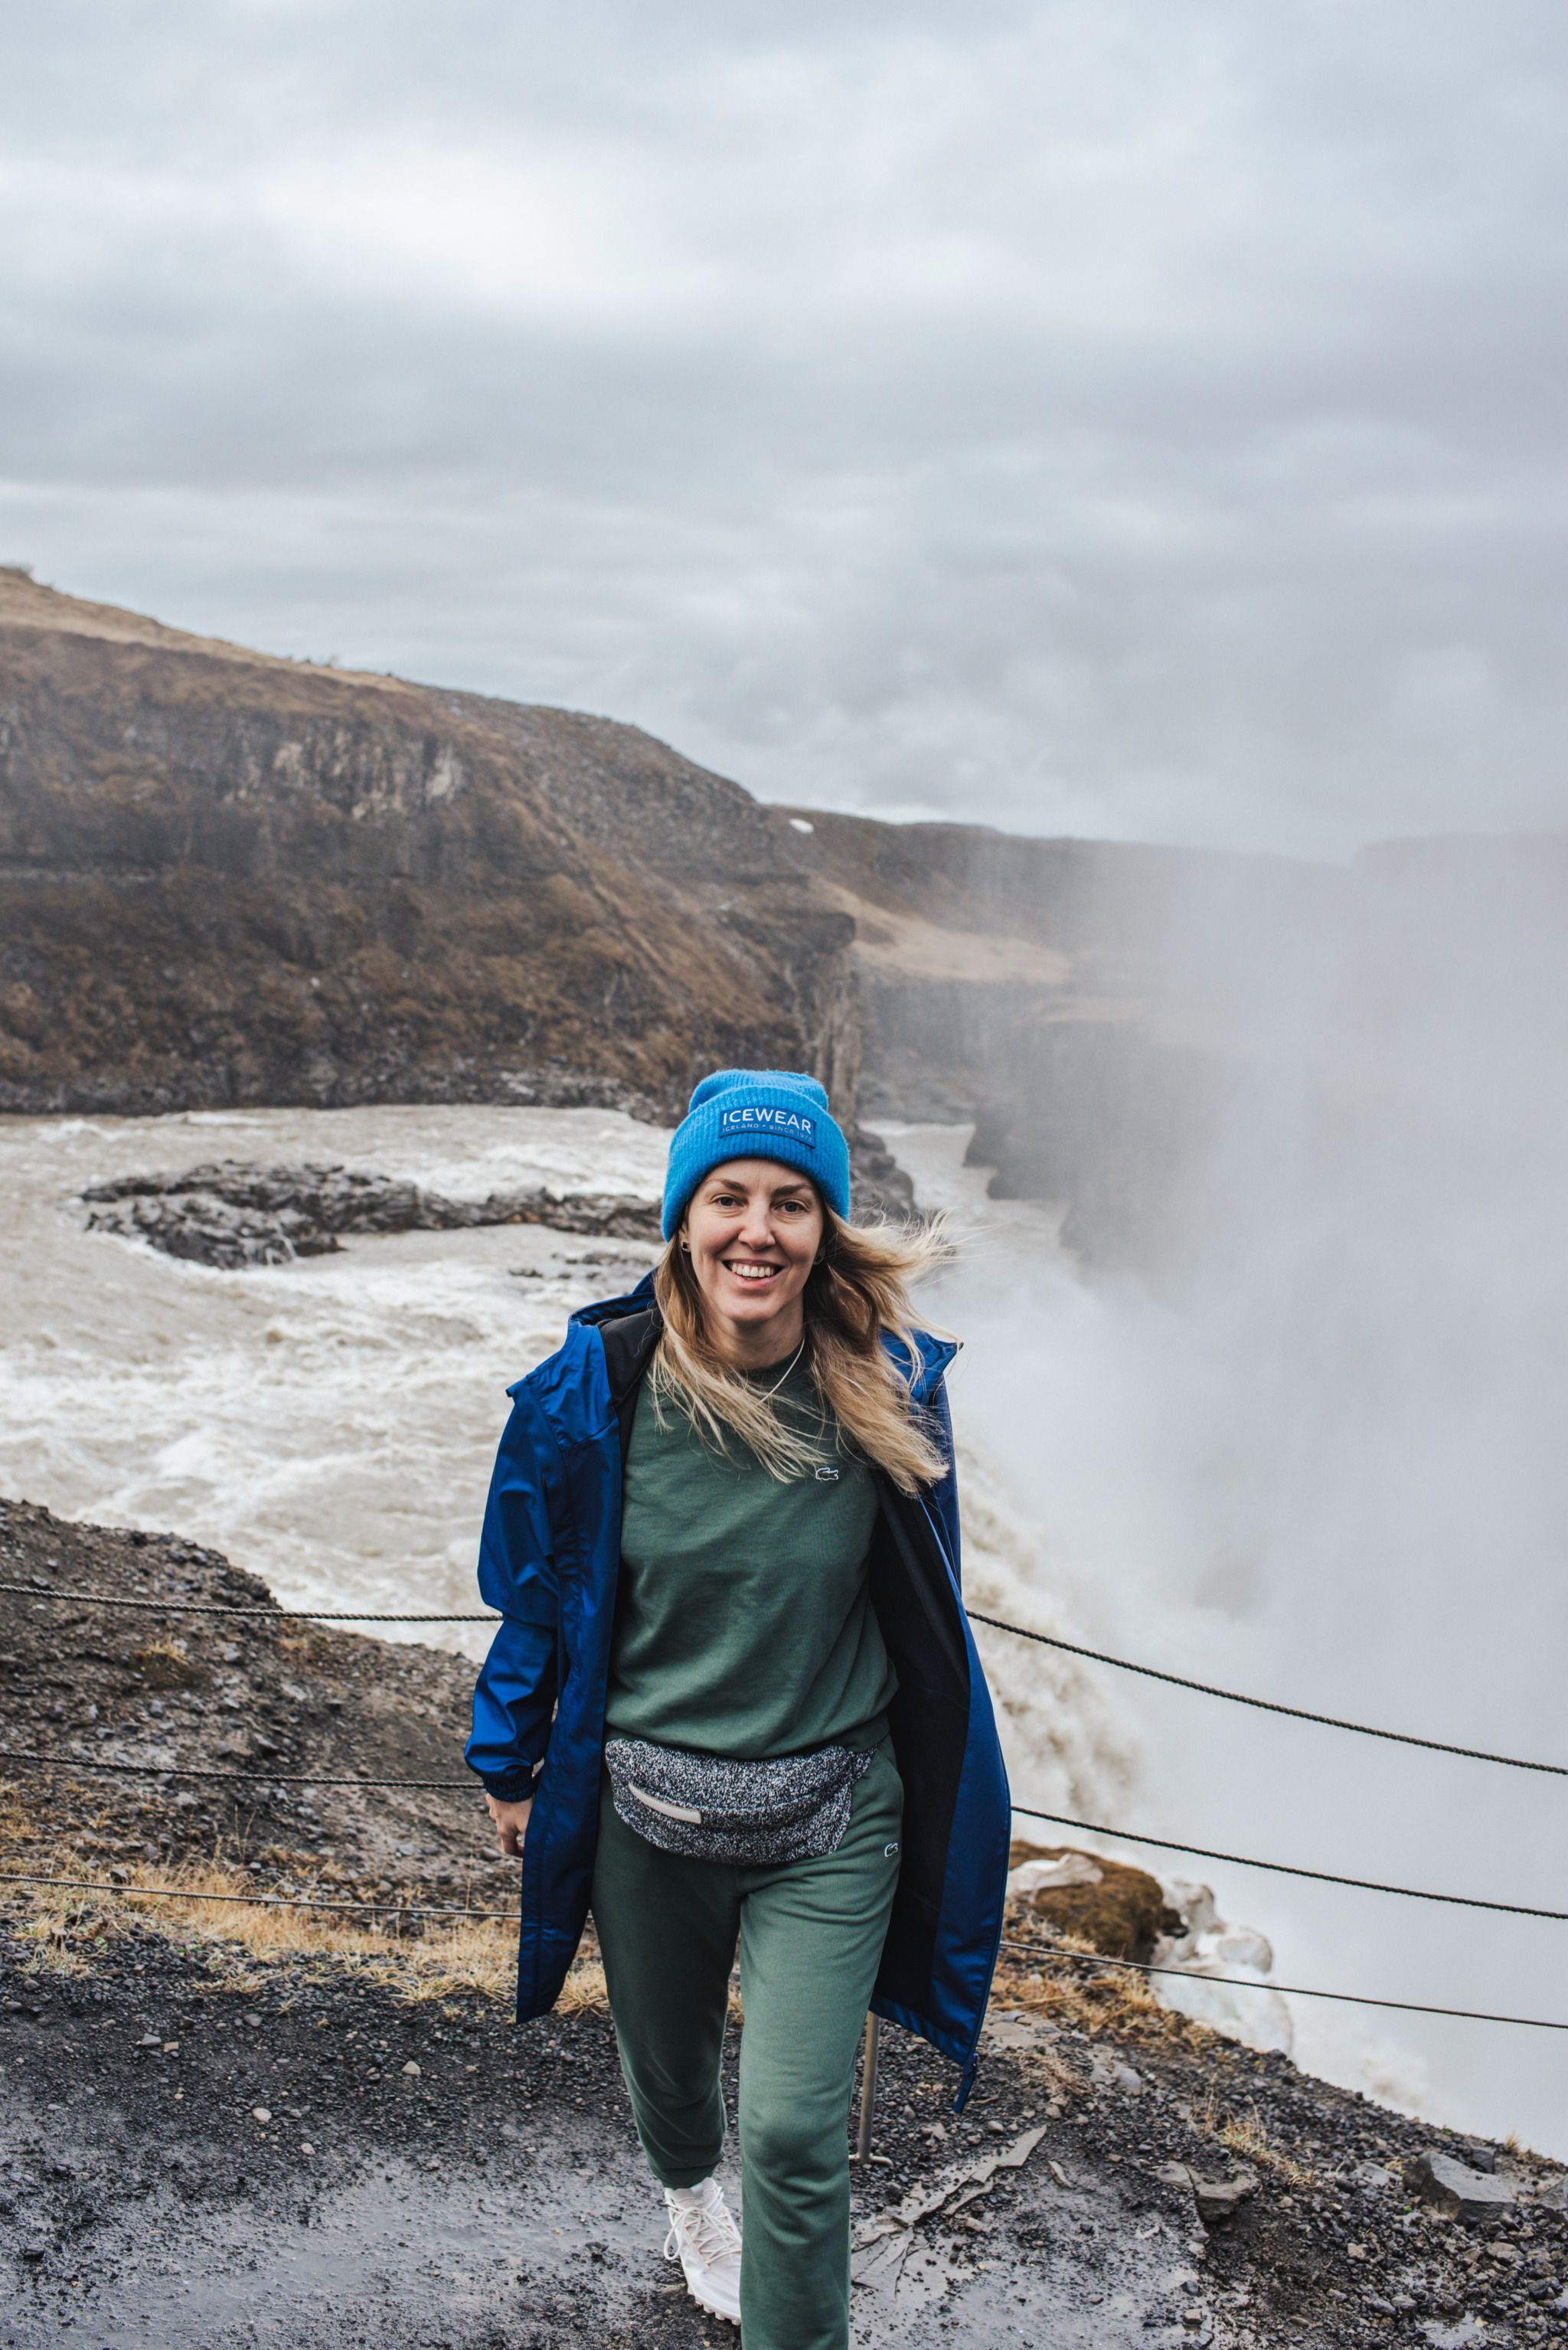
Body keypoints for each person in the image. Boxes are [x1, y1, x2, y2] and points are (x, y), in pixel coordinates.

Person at [466, 1068, 1010, 2350]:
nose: (757, 1228)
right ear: (683, 1216)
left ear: (825, 1229)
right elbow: (535, 1596)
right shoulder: (590, 1390)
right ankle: (686, 2197)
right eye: (728, 1196)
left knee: (795, 2134)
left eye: (791, 1200)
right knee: (673, 2092)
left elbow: (930, 1603)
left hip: (831, 1818)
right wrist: (511, 1764)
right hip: (645, 1820)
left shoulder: (892, 1387)